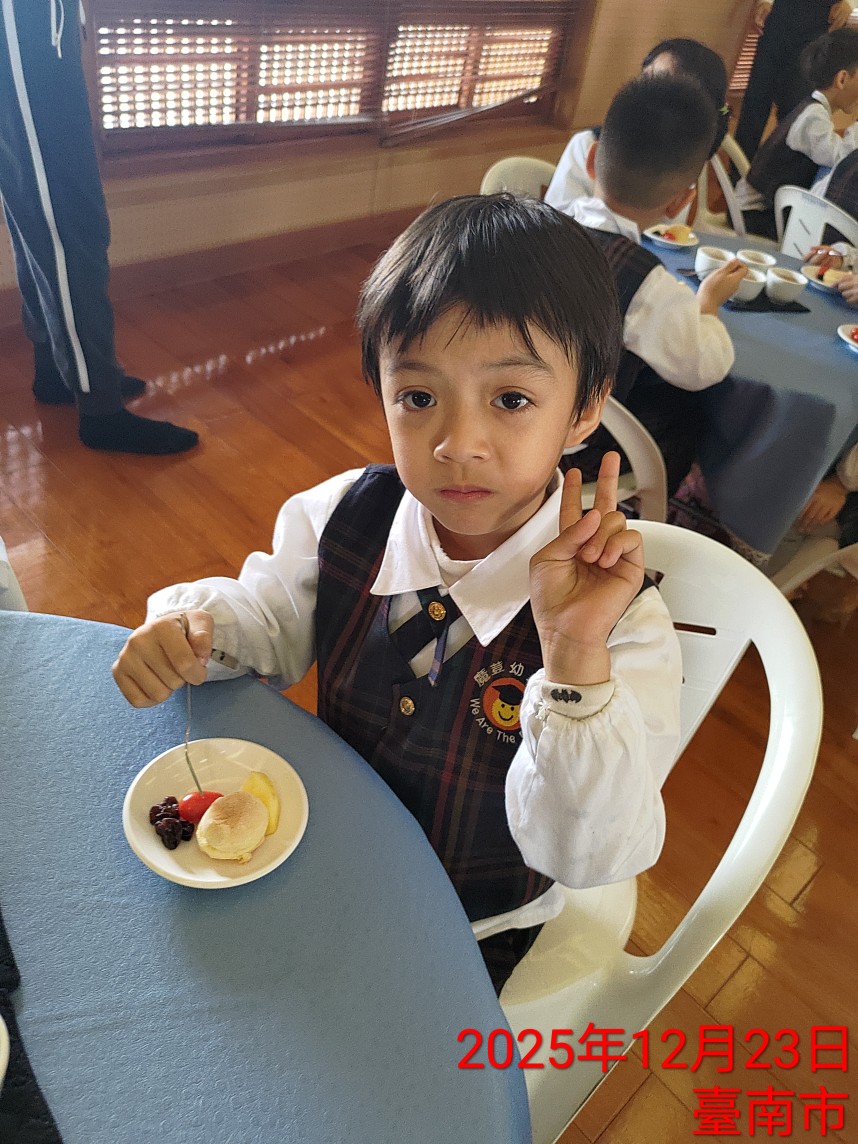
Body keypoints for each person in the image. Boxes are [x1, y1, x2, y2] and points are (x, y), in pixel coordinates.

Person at [111, 194, 683, 993]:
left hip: (471, 924)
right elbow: (269, 619)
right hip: (322, 850)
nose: (457, 444)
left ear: (585, 409)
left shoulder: (621, 626)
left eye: (511, 400)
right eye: (418, 397)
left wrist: (575, 661)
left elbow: (586, 854)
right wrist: (195, 627)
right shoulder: (343, 516)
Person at [0, 1, 199, 454]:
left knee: (41, 212)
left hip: (41, 24)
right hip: (21, 21)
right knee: (67, 224)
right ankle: (100, 410)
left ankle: (58, 371)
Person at [558, 74, 746, 494]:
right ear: (681, 201)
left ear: (592, 160)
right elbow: (706, 367)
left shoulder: (531, 225)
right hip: (569, 454)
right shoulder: (648, 285)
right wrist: (709, 305)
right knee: (687, 410)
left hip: (503, 416)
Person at [545, 38, 731, 216]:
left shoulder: (681, 162)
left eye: (668, 92)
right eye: (647, 80)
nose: (647, 94)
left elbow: (665, 229)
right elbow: (555, 216)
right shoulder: (587, 144)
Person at [737, 27, 858, 240]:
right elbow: (843, 162)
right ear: (842, 79)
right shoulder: (813, 117)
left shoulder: (812, 110)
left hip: (762, 211)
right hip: (755, 216)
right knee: (820, 233)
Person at [734, 0, 854, 164]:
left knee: (794, 108)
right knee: (756, 99)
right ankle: (736, 173)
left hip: (821, 20)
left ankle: (778, 174)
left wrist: (848, 3)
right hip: (780, 13)